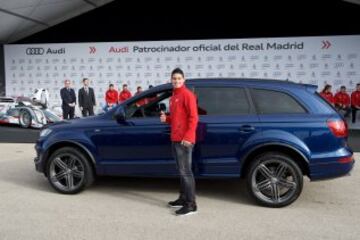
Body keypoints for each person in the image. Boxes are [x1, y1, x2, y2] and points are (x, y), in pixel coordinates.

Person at [160, 68, 199, 216]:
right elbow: (178, 118)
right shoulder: (174, 96)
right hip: (175, 138)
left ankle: (191, 204)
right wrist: (167, 119)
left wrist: (188, 137)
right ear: (171, 80)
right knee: (181, 171)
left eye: (179, 78)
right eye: (174, 78)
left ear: (184, 79)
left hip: (184, 141)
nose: (176, 81)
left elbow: (194, 118)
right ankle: (183, 199)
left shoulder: (187, 95)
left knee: (186, 172)